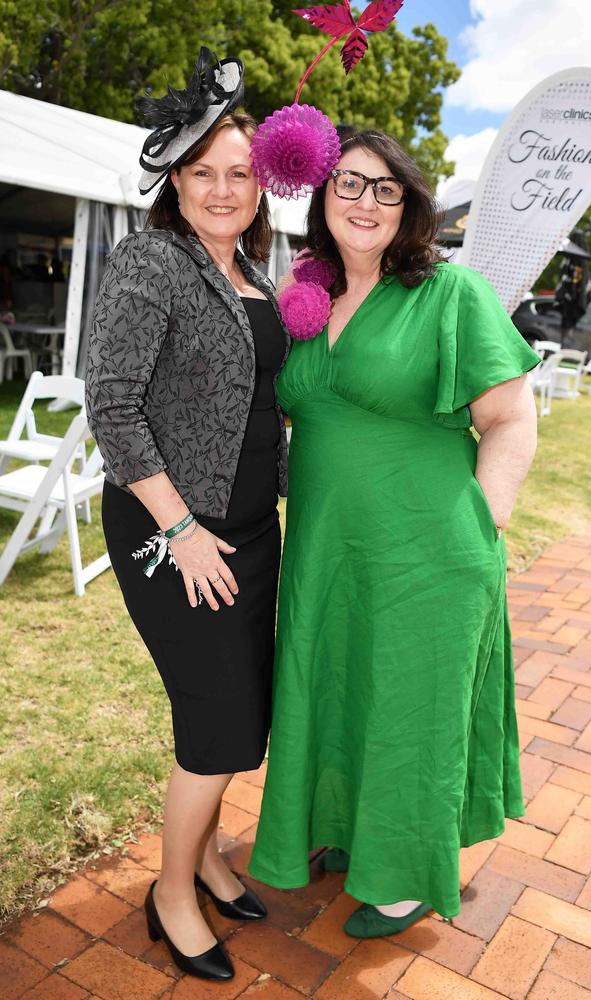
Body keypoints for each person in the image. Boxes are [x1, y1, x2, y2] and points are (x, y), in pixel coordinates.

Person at [249, 128, 540, 937]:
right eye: (348, 183)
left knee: (410, 709)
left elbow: (513, 418)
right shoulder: (303, 299)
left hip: (428, 555)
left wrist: (485, 515)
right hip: (329, 552)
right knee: (341, 690)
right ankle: (344, 832)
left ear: (409, 207)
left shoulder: (452, 293)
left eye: (386, 189)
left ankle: (408, 876)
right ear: (322, 195)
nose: (364, 202)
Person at [86, 50, 289, 981]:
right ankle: (171, 891)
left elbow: (258, 408)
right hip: (175, 530)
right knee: (215, 716)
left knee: (244, 714)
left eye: (238, 172)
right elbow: (112, 402)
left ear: (261, 184)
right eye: (202, 170)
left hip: (252, 529)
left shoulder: (254, 271)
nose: (221, 187)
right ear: (174, 178)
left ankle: (206, 854)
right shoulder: (150, 261)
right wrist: (179, 526)